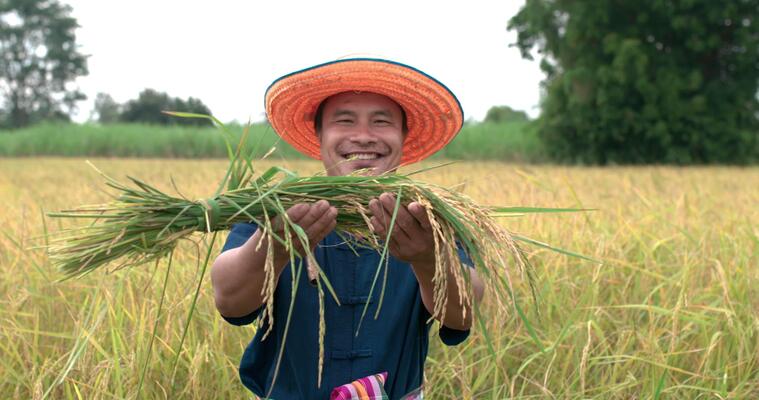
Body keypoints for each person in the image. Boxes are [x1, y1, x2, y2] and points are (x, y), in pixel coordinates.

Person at [211, 58, 485, 399]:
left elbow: (463, 313)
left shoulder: (428, 219)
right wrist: (273, 248)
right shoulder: (276, 207)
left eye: (381, 122)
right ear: (320, 134)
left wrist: (428, 259)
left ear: (403, 136)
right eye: (344, 120)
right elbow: (229, 300)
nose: (363, 137)